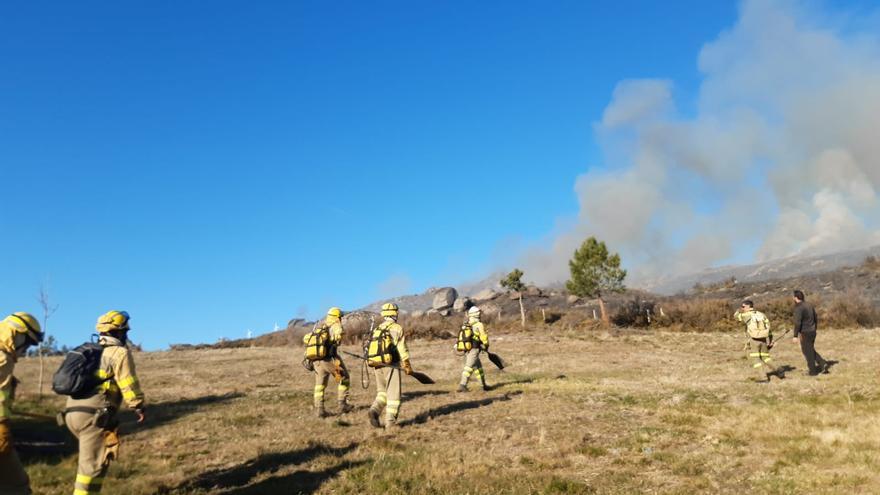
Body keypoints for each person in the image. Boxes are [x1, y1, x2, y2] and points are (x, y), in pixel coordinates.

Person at [64, 310, 145, 495]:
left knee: (94, 462)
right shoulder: (119, 353)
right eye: (125, 331)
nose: (126, 334)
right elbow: (128, 383)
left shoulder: (87, 351)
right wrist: (138, 405)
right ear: (118, 332)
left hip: (72, 413)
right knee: (92, 467)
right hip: (94, 416)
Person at [0, 312, 43, 495]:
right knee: (17, 485)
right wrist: (2, 425)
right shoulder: (2, 358)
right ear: (17, 334)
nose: (25, 350)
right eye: (27, 343)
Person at [366, 303, 412, 431]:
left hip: (376, 365)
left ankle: (374, 410)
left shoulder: (377, 329)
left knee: (382, 392)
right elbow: (402, 348)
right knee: (394, 395)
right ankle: (390, 423)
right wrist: (407, 364)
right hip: (391, 365)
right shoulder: (397, 328)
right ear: (393, 313)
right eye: (396, 312)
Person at [303, 307, 352, 418]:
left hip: (317, 361)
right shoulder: (335, 324)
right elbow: (339, 334)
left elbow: (306, 339)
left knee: (320, 386)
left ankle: (319, 410)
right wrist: (339, 336)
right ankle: (342, 404)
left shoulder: (320, 325)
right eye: (340, 317)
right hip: (330, 360)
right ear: (337, 316)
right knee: (344, 378)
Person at [734, 300, 782, 382]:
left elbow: (736, 317)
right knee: (765, 357)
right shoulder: (762, 315)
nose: (742, 308)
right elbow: (769, 328)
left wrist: (738, 310)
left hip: (754, 340)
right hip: (763, 339)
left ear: (748, 306)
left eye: (743, 306)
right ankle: (778, 370)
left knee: (755, 359)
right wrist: (770, 340)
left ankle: (763, 377)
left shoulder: (747, 315)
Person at [792, 290, 828, 376]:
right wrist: (815, 327)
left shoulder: (798, 308)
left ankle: (813, 371)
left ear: (796, 298)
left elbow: (797, 323)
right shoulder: (809, 305)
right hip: (812, 331)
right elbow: (816, 317)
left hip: (805, 332)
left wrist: (795, 336)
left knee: (807, 352)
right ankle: (822, 363)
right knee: (810, 349)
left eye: (793, 297)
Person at [457, 306, 490, 392]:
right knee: (468, 367)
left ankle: (483, 385)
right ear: (477, 314)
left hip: (467, 349)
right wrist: (486, 345)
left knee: (479, 368)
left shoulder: (466, 324)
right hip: (474, 350)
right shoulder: (479, 324)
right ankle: (462, 385)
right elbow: (483, 337)